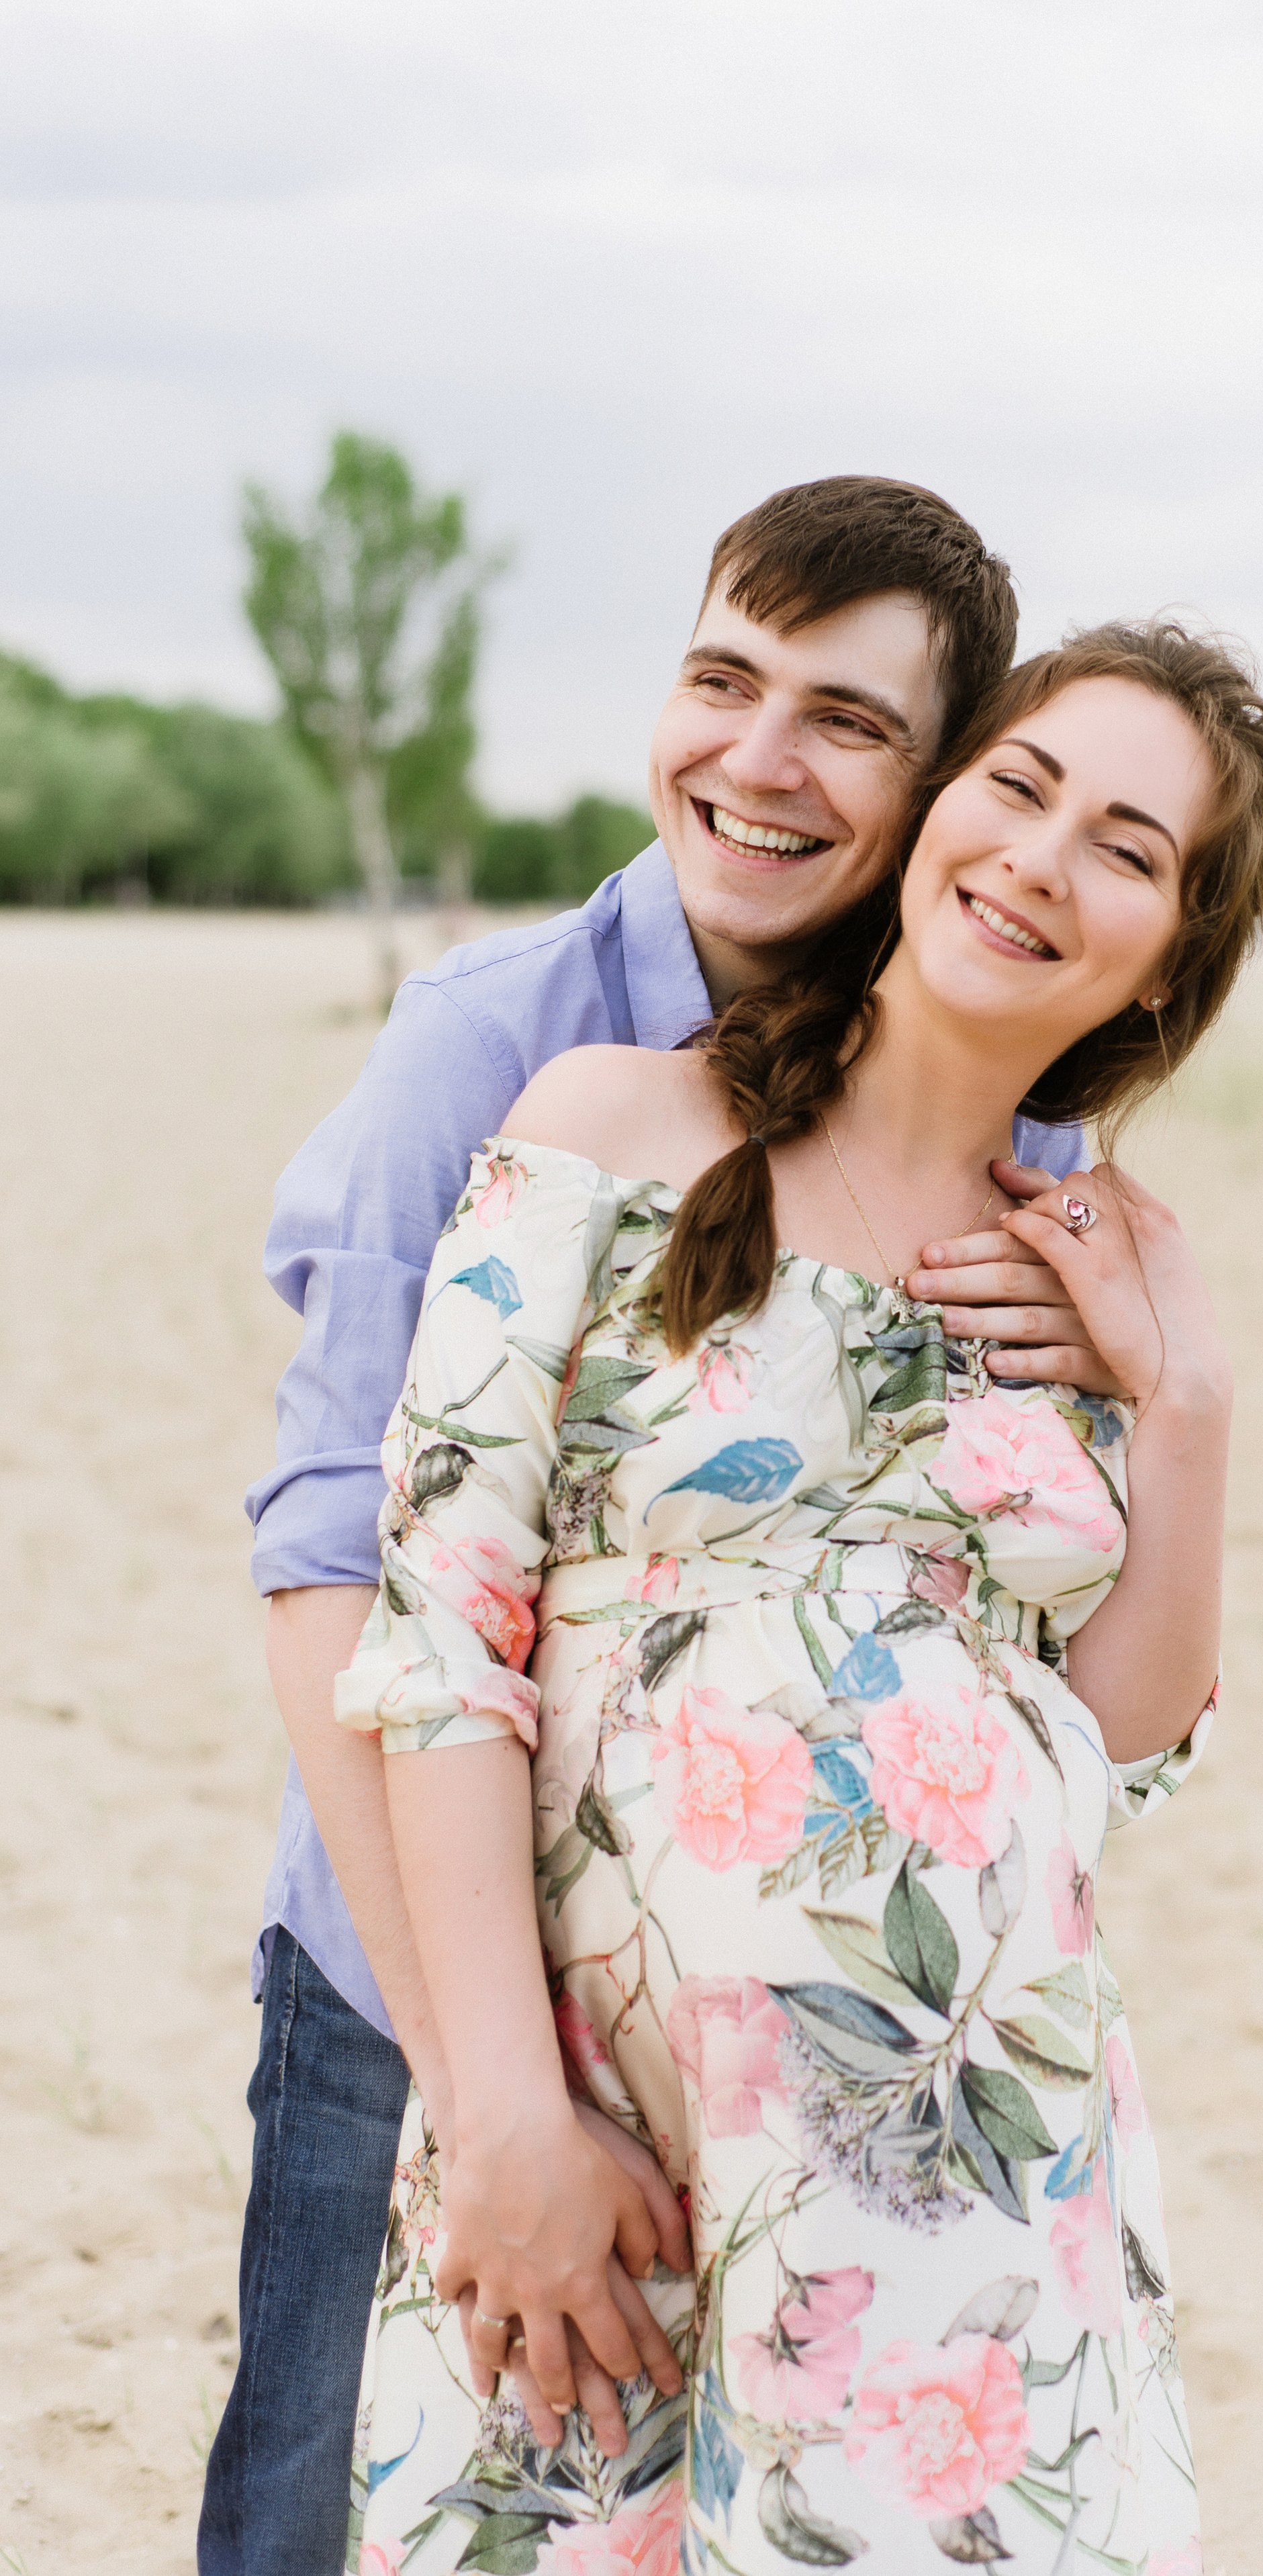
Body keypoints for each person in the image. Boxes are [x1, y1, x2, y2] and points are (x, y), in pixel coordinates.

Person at [204, 477, 1124, 2575]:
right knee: (316, 2509)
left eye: (848, 721)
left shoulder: (1020, 1130)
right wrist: (491, 2090)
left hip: (794, 2054)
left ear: (944, 785)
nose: (759, 759)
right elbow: (335, 1564)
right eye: (724, 680)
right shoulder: (494, 1043)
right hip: (417, 1982)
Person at [336, 619, 1263, 2571]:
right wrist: (502, 2106)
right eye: (1018, 786)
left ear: (1173, 952)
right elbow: (440, 1641)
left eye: (1127, 845)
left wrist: (1180, 1402)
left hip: (984, 2153)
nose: (1038, 855)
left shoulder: (1086, 1263)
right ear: (934, 811)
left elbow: (1119, 1739)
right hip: (611, 2137)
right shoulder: (614, 1126)